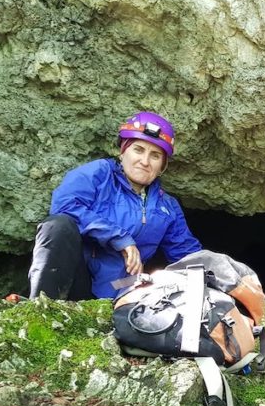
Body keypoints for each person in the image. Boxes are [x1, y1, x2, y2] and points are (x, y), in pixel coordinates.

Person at [27, 111, 202, 300]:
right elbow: (64, 205)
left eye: (155, 155)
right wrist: (119, 238)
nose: (144, 161)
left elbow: (186, 255)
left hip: (122, 291)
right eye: (138, 149)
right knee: (58, 226)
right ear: (123, 150)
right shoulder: (100, 174)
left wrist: (219, 270)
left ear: (162, 166)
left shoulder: (167, 207)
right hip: (78, 281)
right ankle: (42, 305)